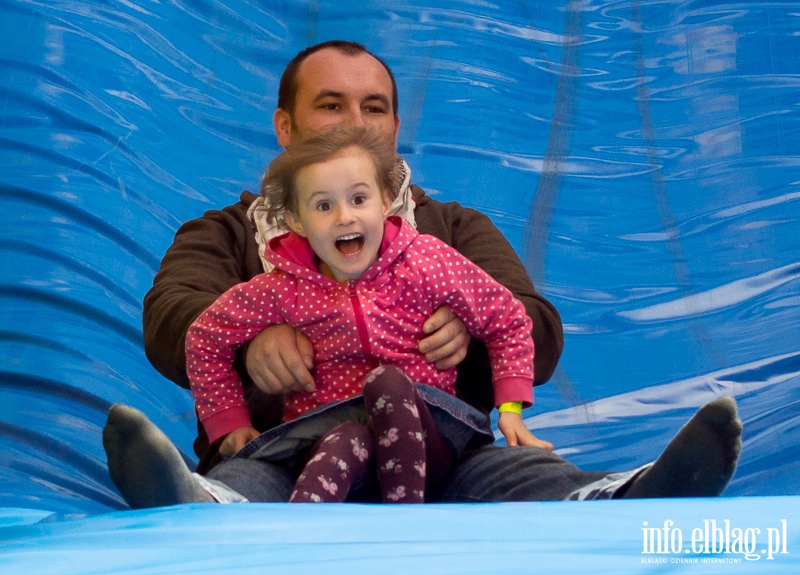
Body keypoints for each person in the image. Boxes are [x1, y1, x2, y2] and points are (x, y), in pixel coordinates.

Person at [105, 40, 742, 508]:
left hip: (442, 461)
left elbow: (534, 327)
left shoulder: (450, 232)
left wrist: (470, 335)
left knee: (516, 478)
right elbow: (170, 316)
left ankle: (624, 498)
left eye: (374, 108)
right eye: (331, 105)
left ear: (395, 128)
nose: (356, 123)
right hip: (286, 453)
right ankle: (195, 502)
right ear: (285, 127)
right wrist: (254, 342)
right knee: (247, 487)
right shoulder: (227, 230)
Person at [185, 126, 545, 504]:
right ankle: (293, 530)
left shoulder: (426, 262)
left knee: (387, 384)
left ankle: (403, 520)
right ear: (295, 221)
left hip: (431, 445)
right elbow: (205, 338)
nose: (344, 217)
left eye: (359, 199)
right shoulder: (284, 288)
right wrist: (230, 423)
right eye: (323, 206)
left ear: (386, 201)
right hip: (326, 445)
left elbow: (507, 318)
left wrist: (510, 407)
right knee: (348, 437)